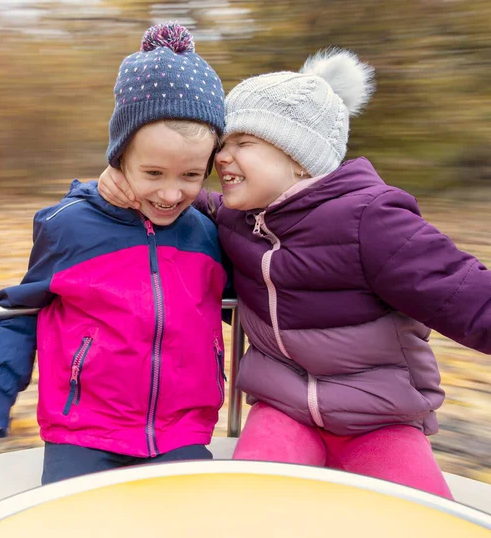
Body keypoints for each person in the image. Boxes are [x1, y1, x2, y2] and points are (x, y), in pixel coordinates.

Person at [97, 48, 491, 499]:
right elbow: (175, 195)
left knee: (421, 516)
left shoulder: (372, 219)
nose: (221, 158)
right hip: (282, 411)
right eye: (223, 145)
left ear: (300, 158)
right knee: (252, 508)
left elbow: (466, 294)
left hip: (379, 418)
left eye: (243, 144)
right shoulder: (235, 219)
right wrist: (115, 179)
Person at [0, 22, 229, 485]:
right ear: (119, 157)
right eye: (153, 172)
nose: (170, 192)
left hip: (181, 432)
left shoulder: (204, 233)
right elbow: (18, 309)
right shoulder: (69, 227)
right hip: (82, 432)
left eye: (190, 175)